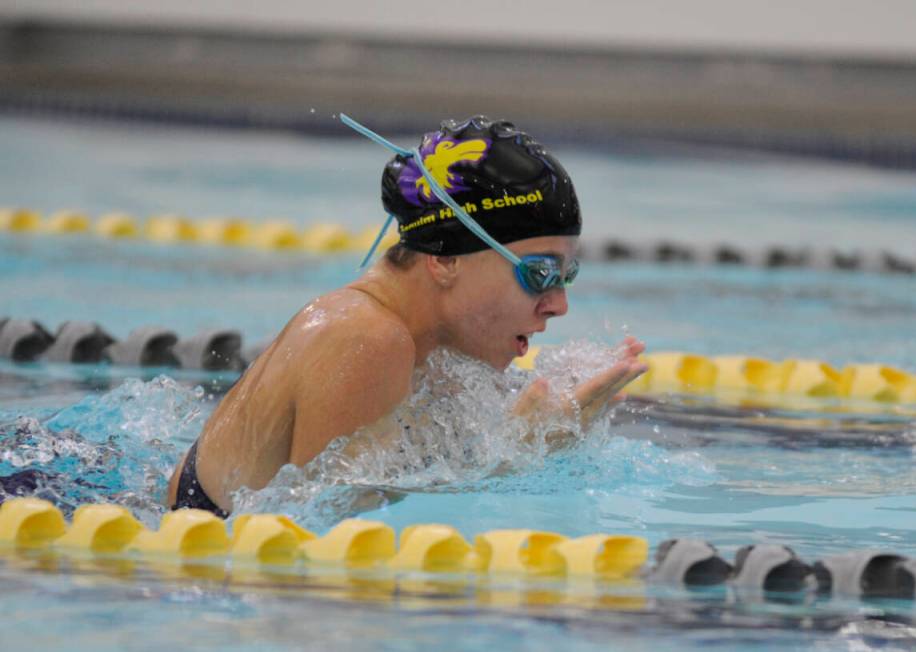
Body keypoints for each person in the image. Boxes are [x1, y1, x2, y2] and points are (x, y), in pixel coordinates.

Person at [166, 115, 648, 517]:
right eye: (539, 274)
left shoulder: (432, 346)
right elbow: (316, 525)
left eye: (567, 274)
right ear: (444, 260)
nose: (559, 304)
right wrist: (516, 455)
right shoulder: (367, 338)